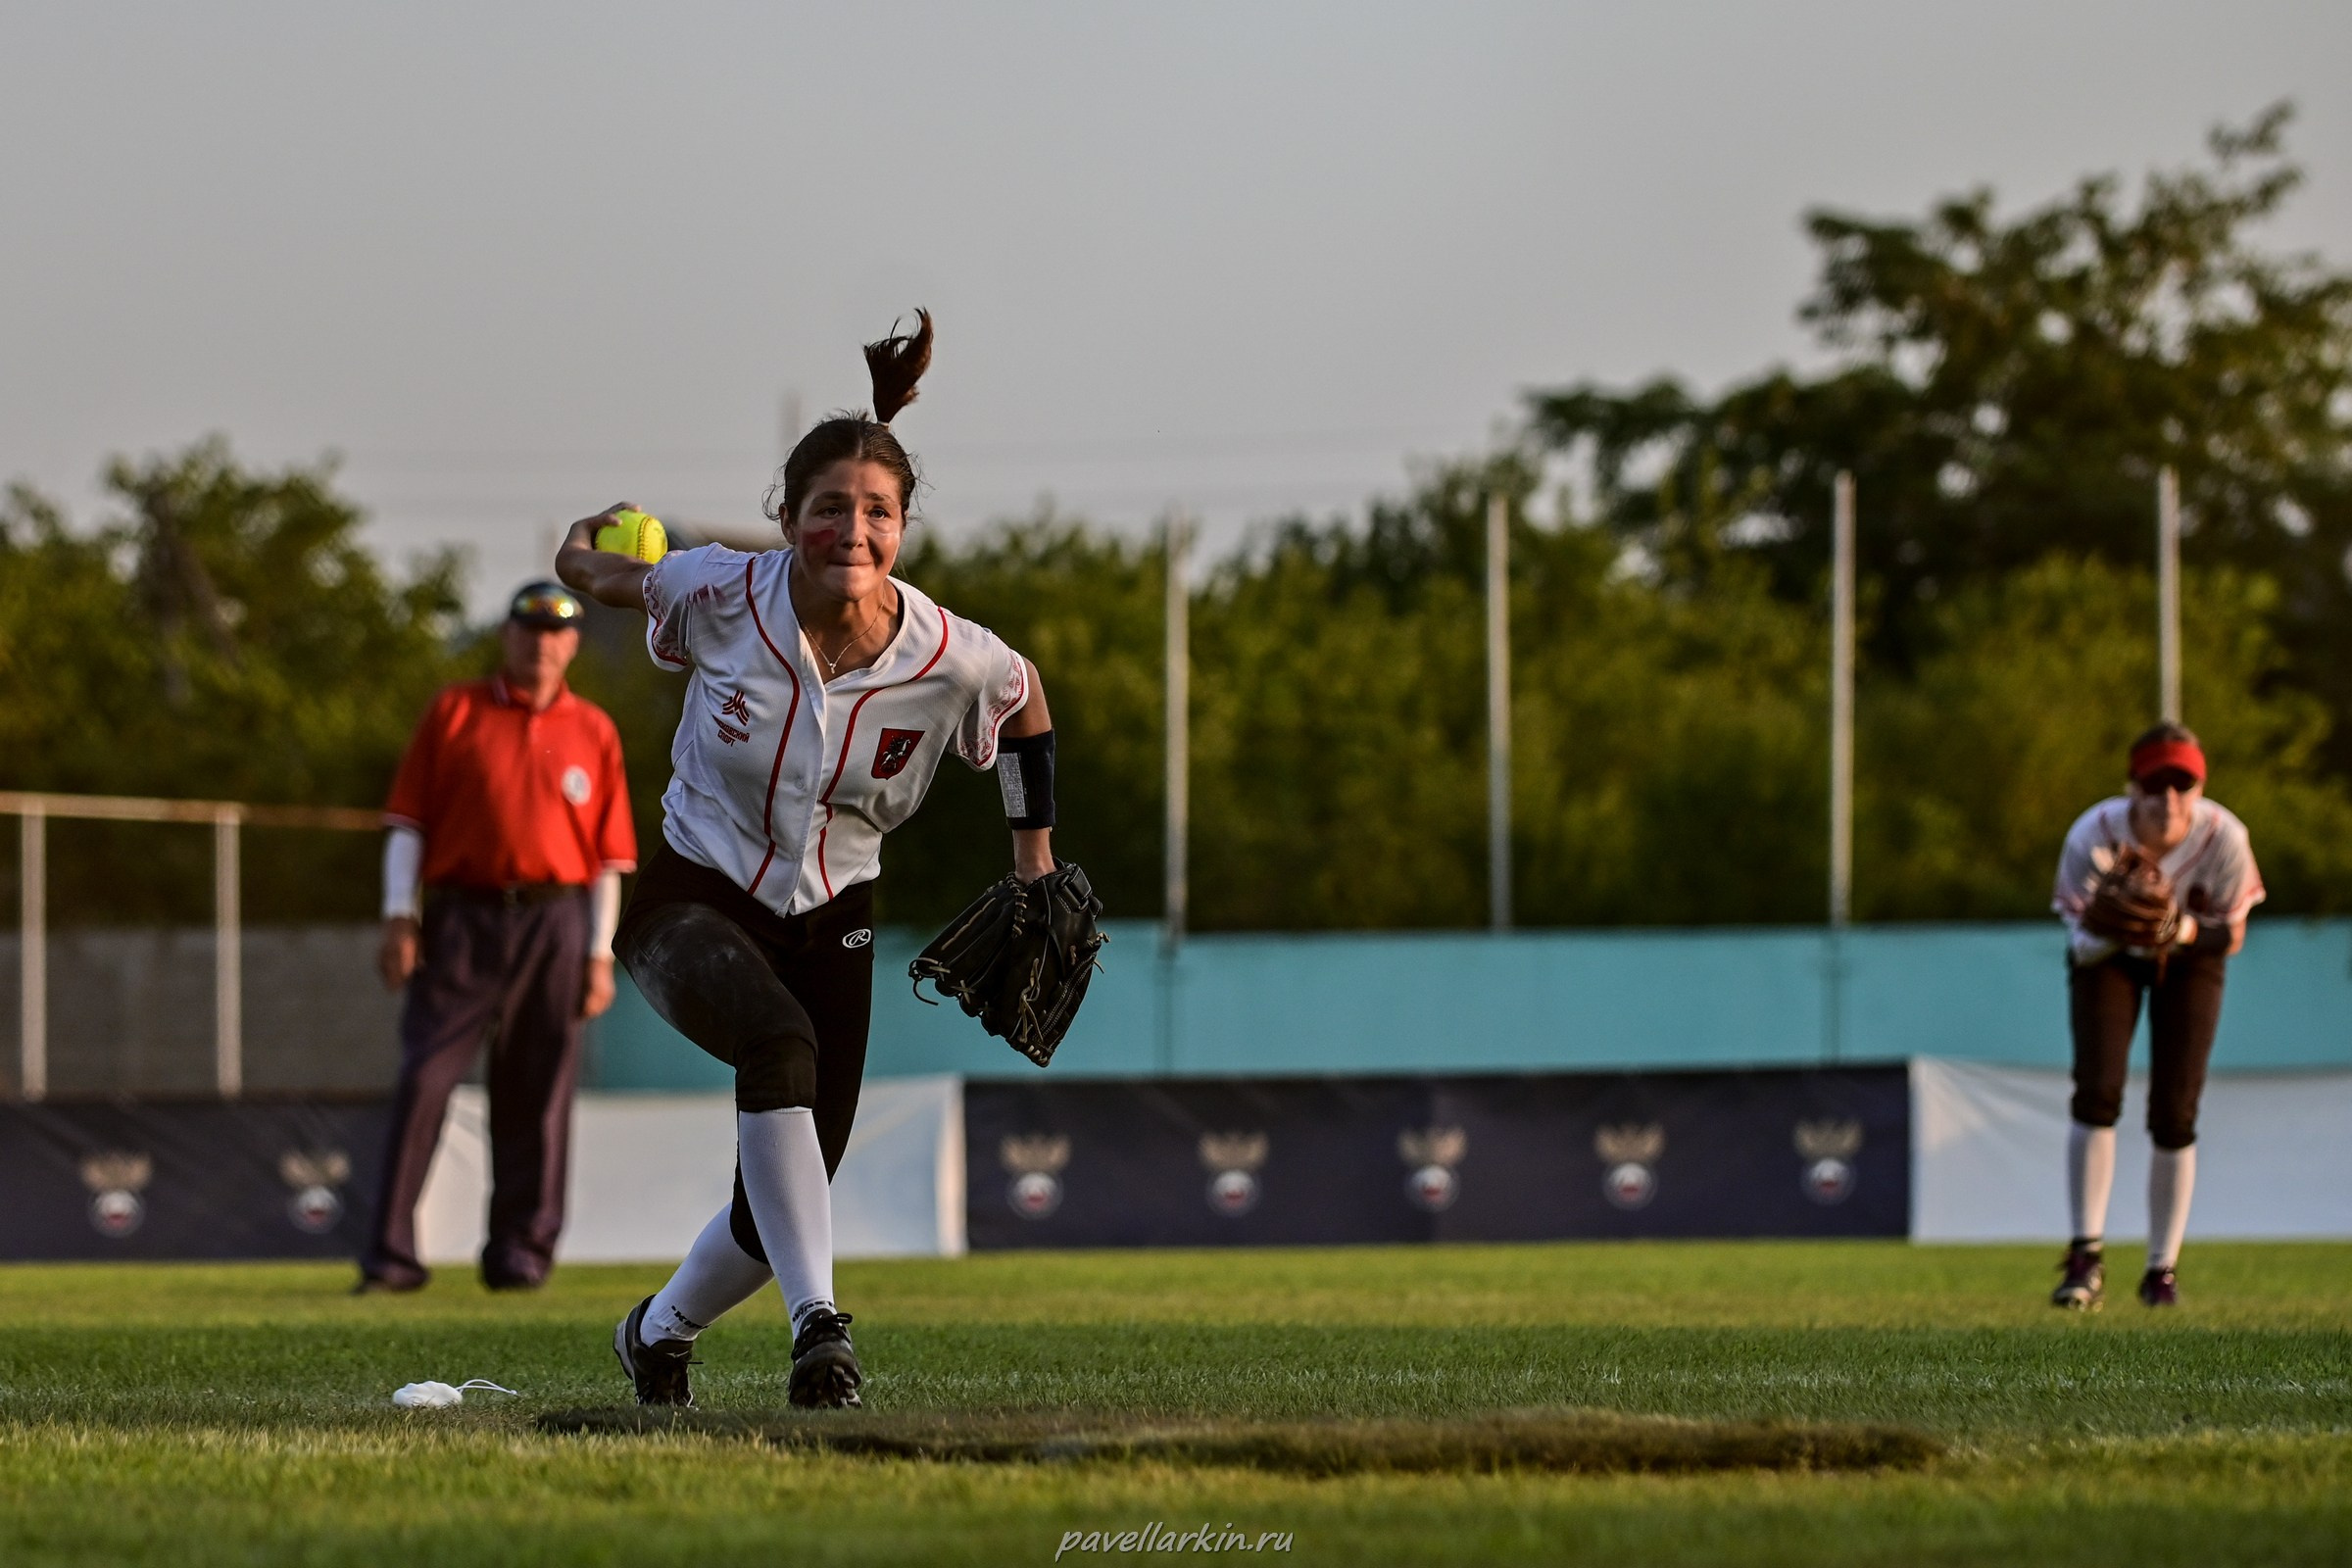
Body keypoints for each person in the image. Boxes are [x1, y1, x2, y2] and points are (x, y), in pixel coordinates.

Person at [556, 311, 1057, 1408]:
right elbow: (589, 572)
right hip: (692, 894)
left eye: (877, 512)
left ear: (905, 526)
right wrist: (585, 536)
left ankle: (656, 1332)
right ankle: (819, 1327)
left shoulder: (948, 651)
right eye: (830, 509)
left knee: (787, 1186)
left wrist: (1034, 860)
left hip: (837, 907)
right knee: (776, 1046)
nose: (854, 531)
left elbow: (1026, 705)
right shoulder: (717, 590)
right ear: (787, 518)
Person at [357, 581, 637, 1293]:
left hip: (555, 918)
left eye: (557, 632)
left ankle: (521, 1253)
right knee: (425, 1079)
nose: (541, 644)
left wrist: (598, 954)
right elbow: (408, 822)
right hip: (462, 918)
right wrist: (399, 915)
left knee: (537, 1095)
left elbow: (609, 859)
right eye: (529, 630)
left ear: (573, 645)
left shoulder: (594, 729)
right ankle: (391, 1257)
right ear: (507, 637)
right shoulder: (455, 711)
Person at [2049, 722, 2262, 1309]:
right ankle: (2084, 1257)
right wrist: (2114, 925)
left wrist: (2179, 928)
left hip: (2190, 960)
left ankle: (2160, 1269)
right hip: (2109, 960)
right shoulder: (2091, 836)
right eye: (2154, 783)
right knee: (2097, 1094)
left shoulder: (2223, 836)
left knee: (2176, 1112)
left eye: (2182, 784)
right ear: (2132, 786)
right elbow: (2079, 943)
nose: (2168, 797)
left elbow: (2233, 935)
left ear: (2198, 789)